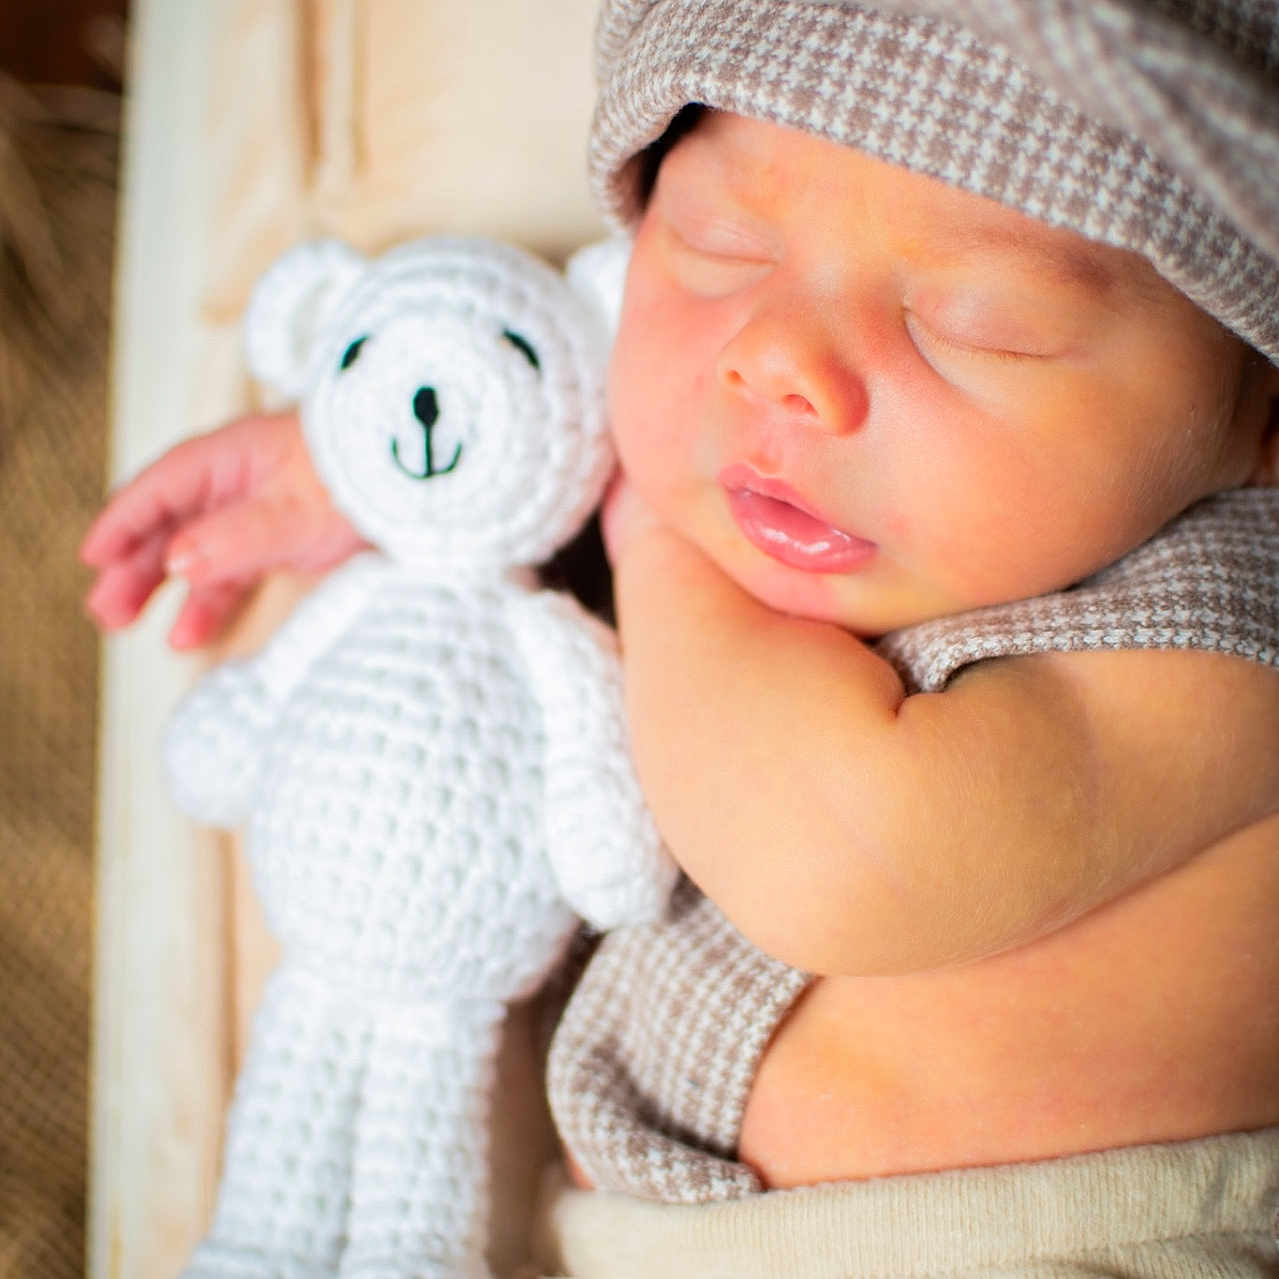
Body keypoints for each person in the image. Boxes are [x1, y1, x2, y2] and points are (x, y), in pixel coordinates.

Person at [82, 0, 1279, 1273]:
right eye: (717, 247)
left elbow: (847, 847)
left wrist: (642, 521)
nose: (775, 364)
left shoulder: (1226, 638)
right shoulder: (794, 538)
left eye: (977, 316)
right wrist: (404, 470)